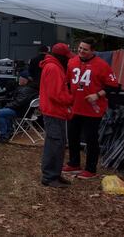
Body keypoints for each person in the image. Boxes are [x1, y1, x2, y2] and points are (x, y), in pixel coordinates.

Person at [62, 37, 119, 180]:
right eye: (80, 48)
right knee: (72, 136)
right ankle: (74, 163)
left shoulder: (102, 65)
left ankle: (90, 169)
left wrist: (97, 95)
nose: (81, 51)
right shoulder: (72, 62)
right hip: (75, 107)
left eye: (85, 49)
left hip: (93, 110)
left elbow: (113, 86)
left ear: (93, 51)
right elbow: (68, 82)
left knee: (91, 139)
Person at [39, 43, 74, 188]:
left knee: (57, 143)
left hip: (55, 111)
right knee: (55, 144)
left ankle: (55, 174)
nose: (68, 60)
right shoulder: (54, 68)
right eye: (66, 57)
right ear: (61, 57)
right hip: (54, 111)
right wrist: (71, 99)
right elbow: (56, 94)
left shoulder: (53, 66)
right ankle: (49, 177)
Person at [0, 70, 39, 142]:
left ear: (25, 80)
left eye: (20, 78)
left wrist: (7, 105)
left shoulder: (25, 90)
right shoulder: (32, 88)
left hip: (20, 111)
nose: (19, 79)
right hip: (26, 111)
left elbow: (18, 103)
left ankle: (4, 135)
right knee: (5, 113)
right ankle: (9, 131)